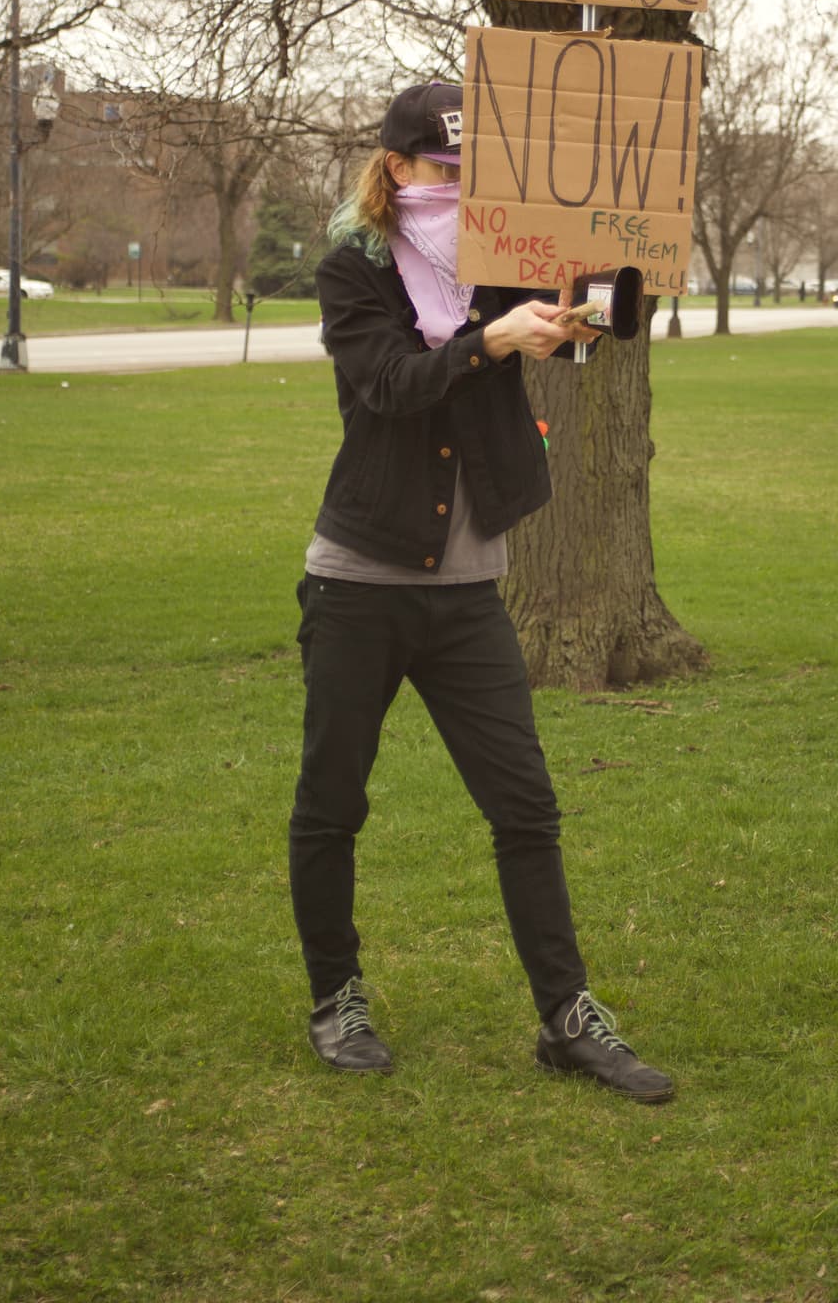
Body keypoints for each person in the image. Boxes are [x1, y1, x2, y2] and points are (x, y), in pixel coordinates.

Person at [288, 80, 673, 1103]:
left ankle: (566, 1020)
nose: (459, 188)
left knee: (525, 807)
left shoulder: (506, 267)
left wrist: (614, 288)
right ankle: (337, 998)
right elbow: (390, 387)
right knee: (331, 804)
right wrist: (489, 345)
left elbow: (588, 329)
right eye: (444, 169)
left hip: (467, 593)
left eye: (475, 173)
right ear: (398, 168)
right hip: (359, 583)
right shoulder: (351, 270)